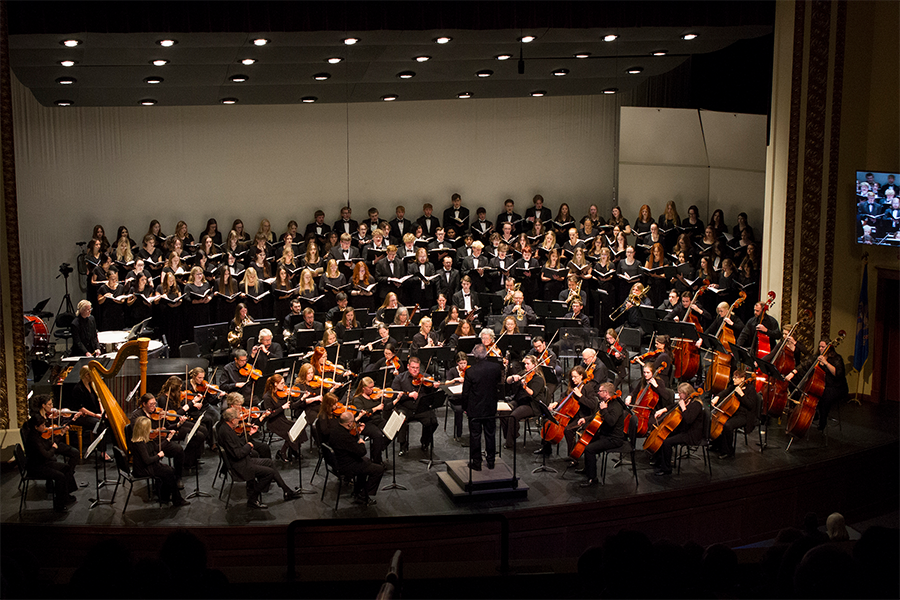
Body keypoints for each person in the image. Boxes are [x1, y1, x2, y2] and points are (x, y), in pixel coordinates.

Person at [218, 407, 303, 509]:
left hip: (242, 461)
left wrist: (250, 434)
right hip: (239, 466)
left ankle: (287, 491)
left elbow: (238, 444)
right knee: (269, 473)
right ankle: (252, 499)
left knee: (269, 462)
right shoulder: (226, 432)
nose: (240, 420)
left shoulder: (227, 428)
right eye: (238, 418)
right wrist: (248, 446)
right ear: (232, 420)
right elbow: (237, 454)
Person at [536, 366, 598, 465]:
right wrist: (556, 402)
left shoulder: (588, 387)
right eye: (572, 377)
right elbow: (564, 395)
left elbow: (592, 405)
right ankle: (546, 448)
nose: (573, 379)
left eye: (575, 377)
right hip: (570, 414)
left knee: (568, 430)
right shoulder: (573, 385)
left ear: (581, 376)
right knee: (548, 421)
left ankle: (573, 456)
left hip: (583, 416)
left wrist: (580, 396)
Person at [129, 393, 186, 490]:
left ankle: (178, 477)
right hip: (147, 444)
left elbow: (167, 427)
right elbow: (138, 432)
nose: (154, 407)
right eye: (151, 404)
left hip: (159, 440)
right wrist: (153, 429)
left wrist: (178, 424)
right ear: (144, 404)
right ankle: (162, 478)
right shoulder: (137, 415)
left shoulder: (158, 413)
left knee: (179, 450)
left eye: (155, 404)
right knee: (159, 460)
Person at [130, 416, 190, 507]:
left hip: (150, 465)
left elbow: (157, 448)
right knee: (169, 471)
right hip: (143, 469)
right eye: (149, 428)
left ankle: (165, 497)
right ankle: (176, 500)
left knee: (170, 471)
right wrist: (158, 456)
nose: (151, 430)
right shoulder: (140, 444)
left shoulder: (147, 440)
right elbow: (147, 460)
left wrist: (168, 439)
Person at [23, 414, 78, 512]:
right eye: (43, 425)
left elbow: (49, 444)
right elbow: (47, 455)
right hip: (36, 468)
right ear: (36, 427)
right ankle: (59, 504)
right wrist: (53, 448)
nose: (45, 427)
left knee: (66, 467)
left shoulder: (37, 435)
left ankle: (65, 495)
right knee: (60, 476)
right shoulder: (34, 439)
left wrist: (60, 435)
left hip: (42, 463)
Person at [576, 382, 626, 487]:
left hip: (614, 438)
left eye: (600, 391)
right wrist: (585, 419)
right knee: (587, 441)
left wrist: (604, 410)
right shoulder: (605, 402)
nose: (598, 393)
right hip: (605, 434)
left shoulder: (616, 406)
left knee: (590, 449)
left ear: (606, 392)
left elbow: (611, 422)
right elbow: (597, 415)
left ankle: (593, 479)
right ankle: (588, 469)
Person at [329, 411, 385, 505]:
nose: (355, 423)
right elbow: (361, 452)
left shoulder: (336, 430)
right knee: (379, 470)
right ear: (349, 423)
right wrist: (361, 442)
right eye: (354, 422)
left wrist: (358, 432)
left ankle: (357, 491)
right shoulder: (345, 437)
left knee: (366, 462)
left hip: (338, 461)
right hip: (346, 465)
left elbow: (350, 446)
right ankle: (363, 495)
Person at [462, 344, 504, 470]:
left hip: (475, 408)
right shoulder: (495, 368)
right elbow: (498, 385)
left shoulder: (470, 371)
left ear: (474, 356)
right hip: (490, 406)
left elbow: (465, 393)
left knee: (475, 435)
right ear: (486, 354)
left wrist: (465, 407)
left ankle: (476, 463)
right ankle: (491, 461)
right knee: (490, 434)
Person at [650, 383, 704, 476]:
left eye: (680, 393)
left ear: (686, 393)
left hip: (691, 434)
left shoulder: (696, 405)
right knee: (663, 435)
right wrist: (663, 410)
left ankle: (666, 469)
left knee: (667, 442)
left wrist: (683, 408)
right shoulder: (687, 400)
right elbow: (674, 406)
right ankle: (659, 461)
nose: (679, 395)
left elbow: (689, 420)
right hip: (684, 430)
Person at [390, 356, 438, 456]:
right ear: (408, 366)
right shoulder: (400, 378)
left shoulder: (426, 378)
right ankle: (403, 445)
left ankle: (425, 441)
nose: (415, 370)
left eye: (417, 368)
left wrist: (434, 388)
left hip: (421, 408)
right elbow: (394, 395)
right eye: (413, 367)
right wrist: (408, 395)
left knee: (433, 421)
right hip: (405, 408)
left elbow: (431, 395)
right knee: (400, 418)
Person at [710, 367, 759, 459]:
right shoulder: (734, 387)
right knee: (718, 421)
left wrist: (741, 394)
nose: (733, 379)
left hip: (745, 415)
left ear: (742, 379)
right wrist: (717, 397)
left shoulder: (750, 389)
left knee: (728, 425)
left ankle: (728, 451)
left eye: (736, 378)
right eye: (733, 377)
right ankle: (717, 445)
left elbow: (751, 405)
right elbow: (725, 392)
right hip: (734, 413)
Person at [501, 354, 546, 449]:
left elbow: (532, 393)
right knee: (503, 412)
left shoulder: (538, 379)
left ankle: (510, 442)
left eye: (528, 364)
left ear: (534, 365)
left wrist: (525, 386)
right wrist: (513, 377)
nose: (526, 366)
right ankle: (512, 434)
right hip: (519, 400)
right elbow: (507, 381)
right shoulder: (523, 373)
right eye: (525, 364)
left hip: (531, 404)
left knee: (513, 416)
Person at [261, 375, 302, 462]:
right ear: (275, 384)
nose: (284, 385)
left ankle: (292, 450)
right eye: (282, 383)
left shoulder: (281, 394)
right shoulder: (267, 397)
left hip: (282, 419)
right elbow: (270, 415)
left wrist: (302, 399)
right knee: (290, 433)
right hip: (273, 422)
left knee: (297, 429)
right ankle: (282, 452)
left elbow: (292, 406)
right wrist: (282, 408)